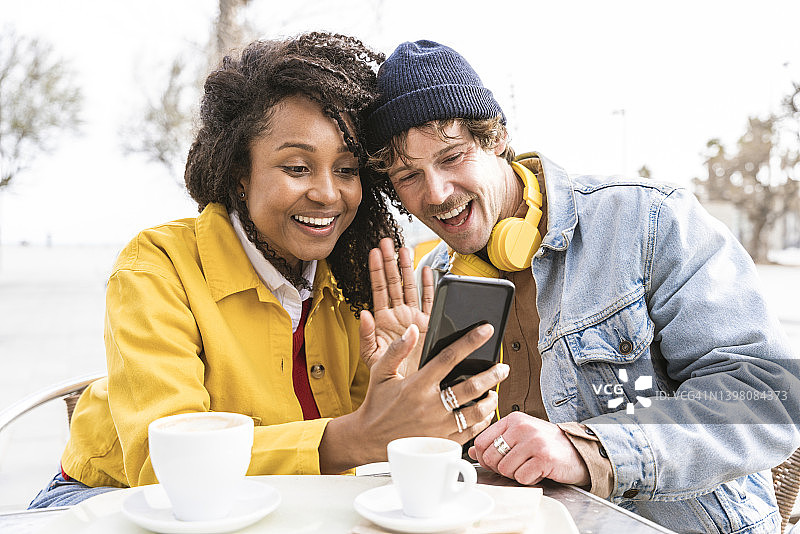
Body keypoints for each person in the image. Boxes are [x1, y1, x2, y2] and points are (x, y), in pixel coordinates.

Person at [28, 33, 507, 509]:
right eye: (297, 167)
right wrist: (355, 437)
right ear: (241, 173)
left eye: (346, 170)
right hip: (108, 502)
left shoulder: (354, 283)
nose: (327, 194)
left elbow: (376, 444)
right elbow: (164, 469)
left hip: (282, 506)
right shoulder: (158, 266)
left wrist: (414, 387)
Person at [364, 39, 800, 533]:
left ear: (496, 138)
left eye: (452, 157)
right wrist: (408, 405)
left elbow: (770, 396)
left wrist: (589, 449)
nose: (436, 193)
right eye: (408, 176)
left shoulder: (649, 220)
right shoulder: (433, 284)